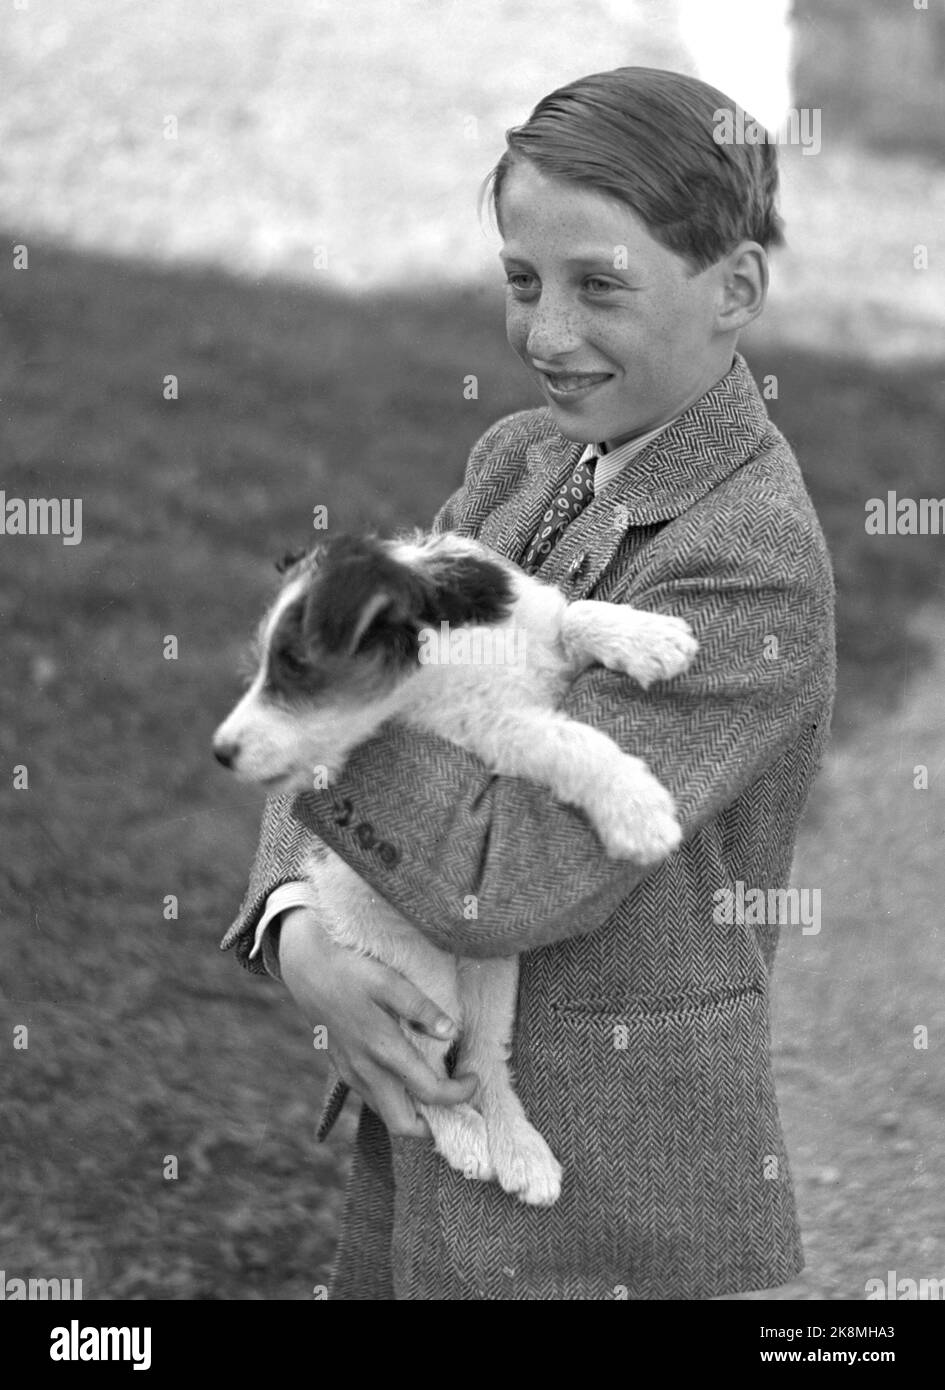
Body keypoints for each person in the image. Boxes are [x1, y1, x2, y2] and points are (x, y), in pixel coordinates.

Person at [221, 66, 836, 1300]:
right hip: (429, 1115)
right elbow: (358, 691)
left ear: (737, 291)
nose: (545, 334)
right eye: (521, 282)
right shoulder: (516, 459)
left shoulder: (745, 557)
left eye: (598, 286)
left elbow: (509, 879)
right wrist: (295, 927)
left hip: (615, 1195)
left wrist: (340, 710)